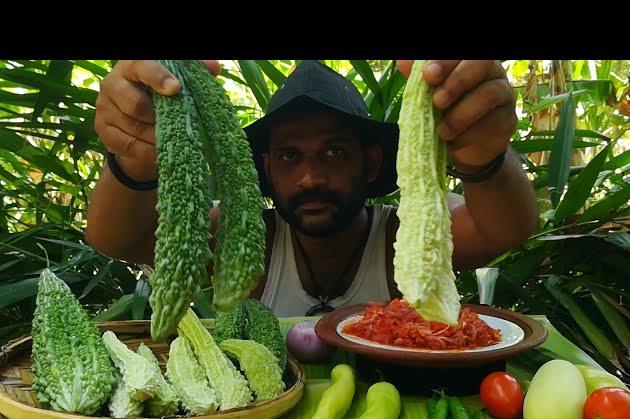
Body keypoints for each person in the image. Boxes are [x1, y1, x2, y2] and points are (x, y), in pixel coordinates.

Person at [87, 60, 538, 317]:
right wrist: (132, 157)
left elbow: (504, 228)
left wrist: (485, 158)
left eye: (335, 151)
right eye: (289, 156)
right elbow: (118, 239)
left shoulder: (402, 234)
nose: (310, 177)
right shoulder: (245, 238)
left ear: (373, 162)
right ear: (265, 166)